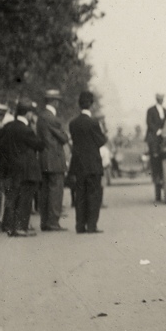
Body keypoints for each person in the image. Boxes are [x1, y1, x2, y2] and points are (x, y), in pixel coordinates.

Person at [0, 99, 45, 237]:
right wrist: (34, 127)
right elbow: (40, 145)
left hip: (11, 167)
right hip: (26, 169)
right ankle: (20, 228)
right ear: (28, 114)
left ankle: (9, 226)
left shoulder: (8, 127)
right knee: (25, 199)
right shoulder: (27, 130)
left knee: (12, 197)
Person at [68, 91, 107, 234]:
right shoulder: (94, 123)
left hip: (78, 164)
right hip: (93, 164)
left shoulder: (73, 123)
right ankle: (91, 226)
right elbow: (101, 141)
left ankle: (80, 225)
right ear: (91, 104)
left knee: (80, 196)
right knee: (93, 196)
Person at [37, 89, 70, 231]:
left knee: (45, 192)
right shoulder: (53, 118)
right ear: (55, 102)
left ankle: (45, 222)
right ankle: (53, 222)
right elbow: (64, 137)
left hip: (44, 158)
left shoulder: (41, 116)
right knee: (56, 192)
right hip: (55, 159)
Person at [146, 93, 166, 200]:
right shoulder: (151, 110)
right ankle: (157, 178)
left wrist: (164, 132)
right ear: (156, 99)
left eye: (162, 99)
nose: (161, 100)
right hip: (154, 136)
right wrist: (157, 130)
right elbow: (149, 123)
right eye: (159, 99)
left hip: (163, 137)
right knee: (155, 157)